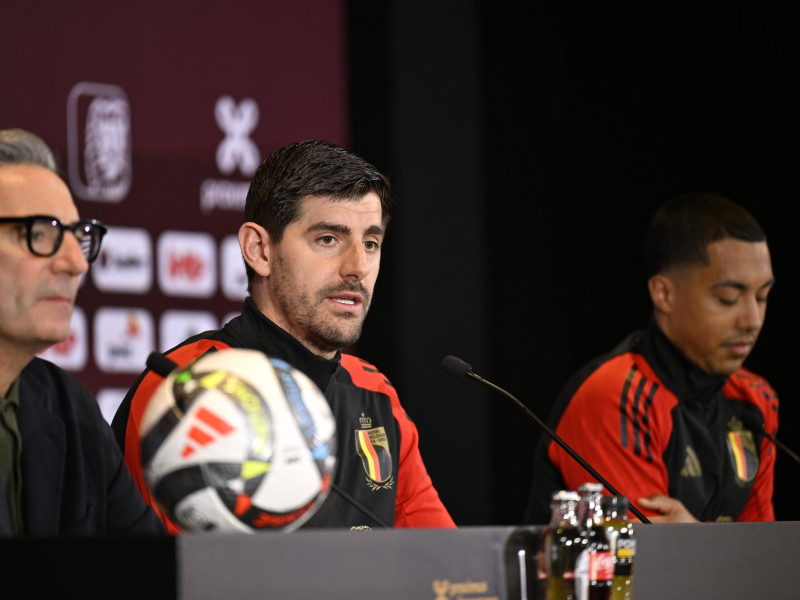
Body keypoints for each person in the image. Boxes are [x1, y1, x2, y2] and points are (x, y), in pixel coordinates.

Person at [112, 140, 455, 533]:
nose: (358, 267)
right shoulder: (180, 390)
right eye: (328, 239)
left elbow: (445, 566)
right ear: (259, 249)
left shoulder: (376, 395)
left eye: (371, 243)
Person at [525, 192, 778, 524]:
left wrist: (693, 537)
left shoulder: (757, 398)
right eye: (728, 299)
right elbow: (648, 562)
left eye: (762, 297)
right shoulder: (615, 395)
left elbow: (763, 557)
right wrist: (701, 545)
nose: (752, 320)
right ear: (664, 294)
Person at [0, 128, 165, 537]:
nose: (76, 263)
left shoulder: (71, 409)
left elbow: (149, 574)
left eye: (79, 237)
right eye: (40, 233)